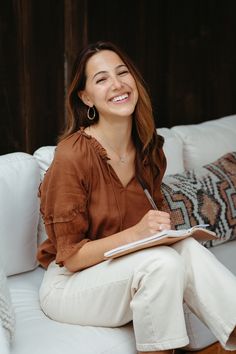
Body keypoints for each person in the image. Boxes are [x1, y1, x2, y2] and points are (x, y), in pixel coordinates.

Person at [37, 41, 236, 354]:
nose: (117, 84)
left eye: (122, 73)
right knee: (162, 263)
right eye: (101, 79)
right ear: (86, 97)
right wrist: (138, 233)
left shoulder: (149, 149)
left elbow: (139, 240)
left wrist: (160, 234)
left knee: (183, 247)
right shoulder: (72, 156)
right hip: (70, 285)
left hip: (125, 268)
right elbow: (72, 257)